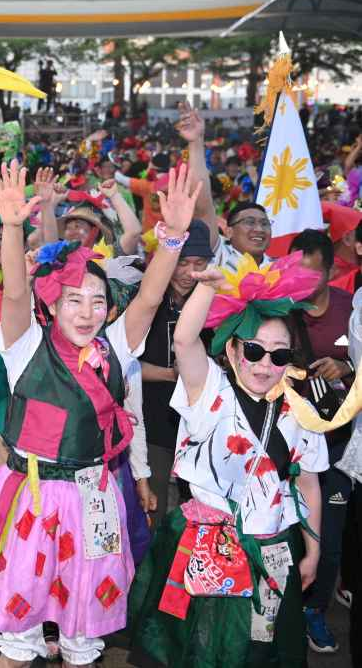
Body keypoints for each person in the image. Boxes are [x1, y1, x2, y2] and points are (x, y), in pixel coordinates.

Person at [0, 161, 199, 668]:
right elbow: (15, 292)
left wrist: (171, 238)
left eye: (97, 301)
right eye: (74, 300)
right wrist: (13, 228)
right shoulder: (23, 346)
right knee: (19, 634)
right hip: (29, 499)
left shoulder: (115, 348)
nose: (86, 311)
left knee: (84, 637)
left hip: (94, 498)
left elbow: (147, 298)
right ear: (53, 305)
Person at [127, 251, 333, 668]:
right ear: (234, 349)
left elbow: (308, 483)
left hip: (272, 546)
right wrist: (209, 285)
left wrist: (312, 551)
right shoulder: (210, 393)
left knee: (260, 648)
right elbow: (184, 340)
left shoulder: (299, 412)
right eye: (254, 350)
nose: (264, 364)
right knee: (199, 649)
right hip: (207, 544)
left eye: (279, 355)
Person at [290, 229, 355, 653]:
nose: (301, 282)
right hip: (289, 442)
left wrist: (346, 365)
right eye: (294, 272)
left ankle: (315, 610)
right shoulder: (280, 308)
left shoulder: (353, 308)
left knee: (330, 533)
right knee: (288, 528)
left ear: (331, 272)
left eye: (310, 275)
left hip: (339, 442)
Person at [139, 219, 213, 526]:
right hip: (155, 427)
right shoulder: (147, 302)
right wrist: (172, 375)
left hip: (201, 432)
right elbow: (124, 364)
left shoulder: (213, 301)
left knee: (195, 518)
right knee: (153, 516)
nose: (189, 272)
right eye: (182, 262)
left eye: (199, 263)